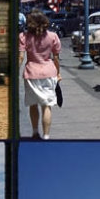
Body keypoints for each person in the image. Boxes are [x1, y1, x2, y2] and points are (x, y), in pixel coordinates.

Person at [19, 9, 61, 139]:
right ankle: (46, 136)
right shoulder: (53, 36)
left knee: (33, 105)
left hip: (31, 73)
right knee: (46, 106)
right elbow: (56, 58)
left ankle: (35, 132)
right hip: (49, 72)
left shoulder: (24, 36)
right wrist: (58, 73)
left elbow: (21, 57)